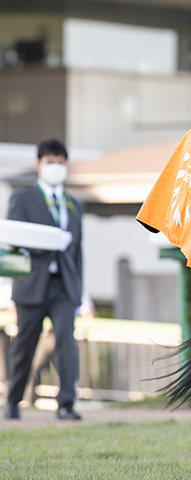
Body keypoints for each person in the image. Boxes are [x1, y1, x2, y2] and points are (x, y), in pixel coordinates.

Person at [3, 138, 84, 421]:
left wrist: (80, 295)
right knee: (24, 346)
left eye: (60, 163)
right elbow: (13, 242)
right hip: (31, 284)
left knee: (66, 343)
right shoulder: (21, 199)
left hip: (64, 286)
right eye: (50, 162)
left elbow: (77, 252)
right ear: (39, 164)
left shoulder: (75, 204)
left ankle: (66, 404)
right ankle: (12, 401)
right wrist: (49, 242)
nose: (56, 168)